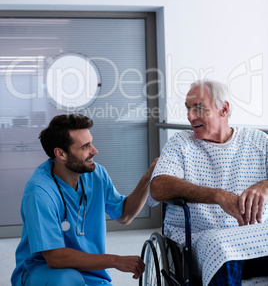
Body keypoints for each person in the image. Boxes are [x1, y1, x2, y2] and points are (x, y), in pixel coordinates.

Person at [11, 114, 157, 286]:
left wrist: (148, 177)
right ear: (60, 154)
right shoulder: (39, 191)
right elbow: (55, 258)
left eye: (91, 143)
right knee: (68, 279)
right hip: (44, 272)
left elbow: (125, 215)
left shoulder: (97, 174)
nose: (94, 150)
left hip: (90, 274)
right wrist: (116, 261)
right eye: (85, 146)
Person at [149, 79, 268, 286]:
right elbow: (158, 186)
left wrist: (265, 185)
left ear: (224, 109)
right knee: (221, 248)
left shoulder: (258, 141)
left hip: (254, 236)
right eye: (188, 109)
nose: (190, 116)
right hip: (198, 237)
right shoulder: (181, 143)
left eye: (199, 108)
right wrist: (217, 195)